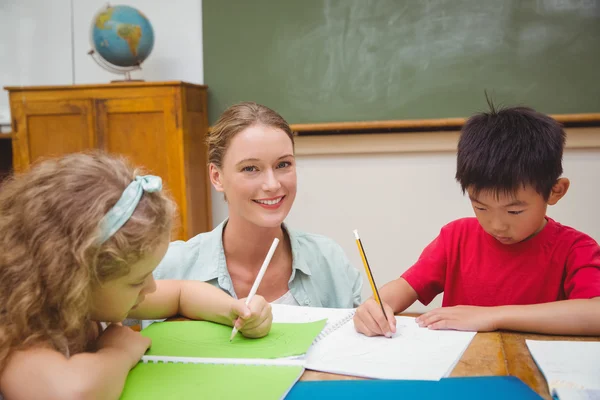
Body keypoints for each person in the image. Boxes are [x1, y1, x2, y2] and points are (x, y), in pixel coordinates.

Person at [0, 152, 272, 399]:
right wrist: (118, 351)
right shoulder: (18, 332)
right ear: (74, 278)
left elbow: (181, 293)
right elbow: (71, 394)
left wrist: (235, 310)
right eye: (137, 280)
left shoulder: (87, 295)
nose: (151, 288)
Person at [354, 104, 600, 337]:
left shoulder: (575, 249)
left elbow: (595, 313)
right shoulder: (456, 237)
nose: (496, 225)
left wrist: (494, 317)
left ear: (556, 191)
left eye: (514, 211)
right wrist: (377, 305)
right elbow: (405, 286)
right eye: (480, 207)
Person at [153, 102, 362, 308]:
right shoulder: (169, 267)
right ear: (217, 177)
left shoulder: (329, 261)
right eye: (250, 168)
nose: (272, 185)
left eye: (283, 164)